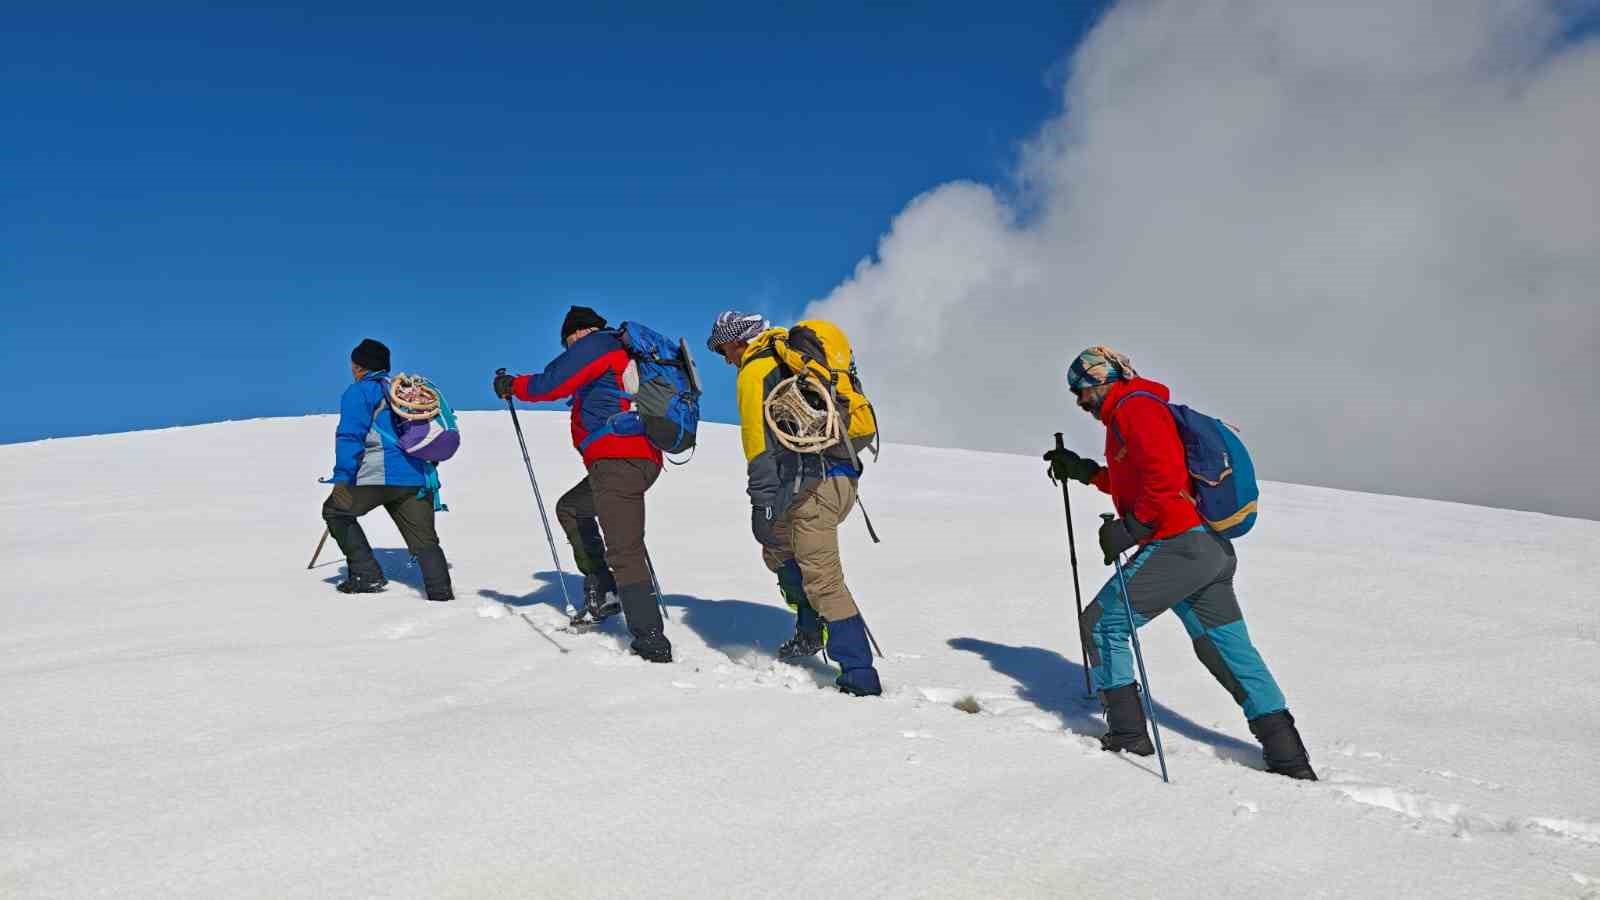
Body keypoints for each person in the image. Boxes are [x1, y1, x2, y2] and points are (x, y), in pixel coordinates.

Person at [1045, 346, 1315, 780]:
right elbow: (1136, 476)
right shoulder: (1129, 416)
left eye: (1082, 388)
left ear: (1104, 379)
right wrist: (1085, 471)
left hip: (1179, 544)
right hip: (1206, 550)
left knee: (1102, 624)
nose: (1079, 400)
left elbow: (1165, 477)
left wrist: (1133, 527)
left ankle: (1128, 735)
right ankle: (1289, 758)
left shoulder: (1135, 409)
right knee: (1226, 650)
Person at [705, 310, 882, 696]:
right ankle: (809, 630)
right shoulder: (792, 357)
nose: (725, 359)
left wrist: (760, 501)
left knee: (823, 580)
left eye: (723, 350)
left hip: (813, 485)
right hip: (838, 479)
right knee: (777, 547)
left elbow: (758, 444)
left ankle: (859, 677)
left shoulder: (756, 370)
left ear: (738, 341)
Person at [492, 306, 672, 663]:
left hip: (618, 460)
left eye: (567, 342)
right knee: (572, 508)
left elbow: (552, 383)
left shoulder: (597, 345)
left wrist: (513, 385)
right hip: (632, 459)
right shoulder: (618, 351)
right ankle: (604, 591)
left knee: (625, 550)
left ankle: (651, 643)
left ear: (577, 333)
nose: (567, 349)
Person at [322, 338, 454, 602]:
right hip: (416, 477)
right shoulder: (404, 392)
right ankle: (442, 596)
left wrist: (342, 479)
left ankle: (365, 575)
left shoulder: (360, 392)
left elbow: (350, 436)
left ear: (360, 367)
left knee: (335, 511)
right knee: (425, 540)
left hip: (377, 475)